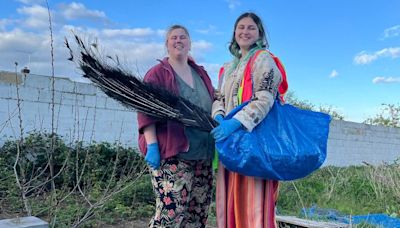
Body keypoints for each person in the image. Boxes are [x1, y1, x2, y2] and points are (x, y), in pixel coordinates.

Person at [137, 25, 215, 227]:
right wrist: (152, 145)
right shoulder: (158, 74)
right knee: (170, 215)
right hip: (172, 156)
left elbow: (213, 101)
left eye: (183, 37)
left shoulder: (201, 74)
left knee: (196, 215)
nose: (178, 40)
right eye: (173, 38)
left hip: (203, 156)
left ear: (190, 43)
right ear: (167, 44)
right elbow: (146, 111)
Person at [211, 12, 282, 228]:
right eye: (241, 27)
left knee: (253, 205)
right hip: (229, 145)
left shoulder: (263, 59)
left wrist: (237, 122)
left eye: (251, 27)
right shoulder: (227, 68)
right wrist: (220, 116)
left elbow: (266, 97)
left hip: (253, 143)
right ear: (234, 33)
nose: (245, 31)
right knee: (229, 201)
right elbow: (219, 97)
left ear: (259, 32)